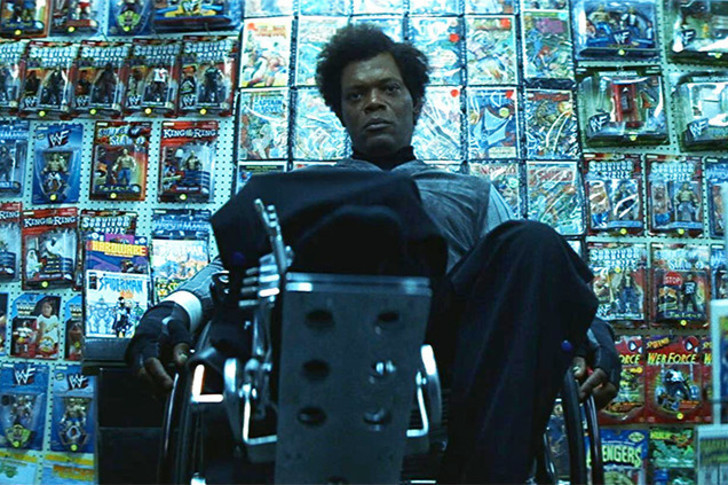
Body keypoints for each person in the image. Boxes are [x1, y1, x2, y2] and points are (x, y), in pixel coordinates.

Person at [127, 24, 618, 483]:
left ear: (415, 102)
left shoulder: (469, 194)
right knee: (348, 212)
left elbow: (532, 286)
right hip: (329, 340)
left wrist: (589, 332)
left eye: (389, 89)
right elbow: (232, 272)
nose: (374, 103)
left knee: (532, 241)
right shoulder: (305, 192)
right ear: (341, 112)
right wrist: (168, 314)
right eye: (356, 95)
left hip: (446, 342)